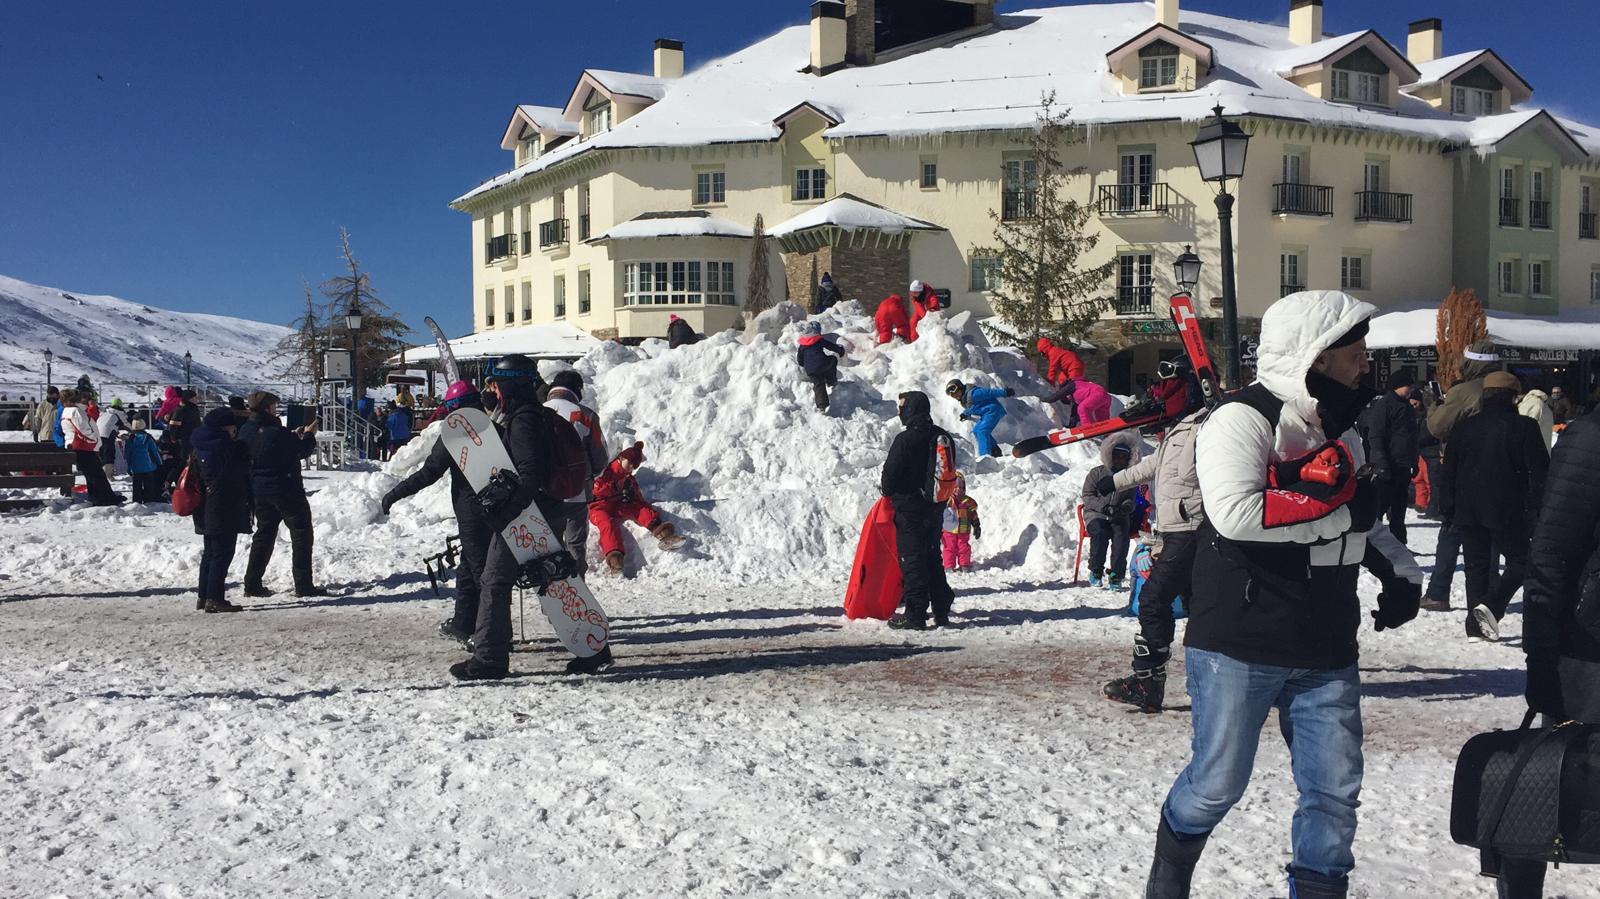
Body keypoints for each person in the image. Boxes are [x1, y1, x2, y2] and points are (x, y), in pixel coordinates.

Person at [1143, 291, 1421, 899]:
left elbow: (1360, 519)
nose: (1364, 365)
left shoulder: (1341, 429)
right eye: (1353, 354)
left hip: (1325, 644)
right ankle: (1169, 876)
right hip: (1240, 641)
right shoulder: (1241, 419)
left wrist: (1402, 573)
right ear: (1315, 357)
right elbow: (1236, 514)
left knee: (1333, 790)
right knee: (1217, 784)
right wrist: (1333, 518)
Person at [461, 354, 611, 679]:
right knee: (556, 578)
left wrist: (509, 512)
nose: (494, 391)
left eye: (496, 384)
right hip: (550, 509)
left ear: (509, 386)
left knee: (494, 581)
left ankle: (489, 659)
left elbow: (530, 471)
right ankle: (595, 650)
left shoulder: (524, 421)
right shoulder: (536, 416)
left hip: (528, 515)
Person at [1505, 404, 1600, 899]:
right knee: (1550, 785)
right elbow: (1551, 552)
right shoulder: (1592, 437)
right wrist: (1540, 658)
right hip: (1590, 652)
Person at [1102, 399, 1208, 712]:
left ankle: (1148, 682)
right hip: (1174, 529)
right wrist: (1115, 481)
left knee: (1153, 600)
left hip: (1191, 528)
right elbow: (1154, 467)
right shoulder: (1177, 430)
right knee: (1193, 604)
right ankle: (1193, 680)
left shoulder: (1201, 426)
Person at [1436, 371, 1549, 642]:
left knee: (1476, 566)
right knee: (1522, 562)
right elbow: (1540, 472)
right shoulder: (1524, 427)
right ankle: (1492, 606)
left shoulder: (1464, 427)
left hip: (1467, 507)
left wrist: (1447, 506)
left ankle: (1477, 622)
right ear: (1514, 396)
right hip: (1509, 508)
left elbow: (1448, 469)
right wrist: (1540, 508)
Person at [381, 381, 492, 647]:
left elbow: (430, 472)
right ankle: (462, 622)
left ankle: (492, 634)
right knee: (469, 568)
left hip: (471, 511)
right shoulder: (493, 427)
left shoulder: (456, 434)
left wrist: (395, 493)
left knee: (481, 575)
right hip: (497, 508)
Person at [1421, 340, 1501, 613]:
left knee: (1452, 530)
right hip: (1497, 471)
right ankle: (1488, 596)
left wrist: (1433, 405)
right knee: (1490, 534)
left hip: (1463, 470)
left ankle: (1437, 592)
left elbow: (1437, 426)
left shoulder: (1465, 391)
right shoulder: (1504, 388)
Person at [237, 392, 325, 598]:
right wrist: (309, 435)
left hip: (259, 491)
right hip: (286, 489)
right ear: (268, 408)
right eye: (274, 406)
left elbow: (269, 448)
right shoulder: (276, 431)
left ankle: (252, 583)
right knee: (301, 534)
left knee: (264, 535)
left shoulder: (246, 430)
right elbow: (301, 450)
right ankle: (303, 584)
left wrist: (292, 436)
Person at [882, 391, 956, 630]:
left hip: (910, 509)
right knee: (932, 556)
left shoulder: (905, 440)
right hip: (935, 507)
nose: (899, 411)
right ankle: (942, 608)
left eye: (902, 406)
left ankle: (915, 614)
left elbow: (889, 478)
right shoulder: (942, 436)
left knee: (912, 560)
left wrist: (889, 491)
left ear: (912, 409)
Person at [543, 369, 609, 572]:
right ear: (577, 390)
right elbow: (600, 458)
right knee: (575, 545)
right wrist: (591, 475)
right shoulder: (585, 415)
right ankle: (577, 591)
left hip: (544, 491)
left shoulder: (537, 411)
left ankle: (552, 592)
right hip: (576, 491)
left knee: (550, 546)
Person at [589, 441, 685, 576]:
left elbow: (639, 499)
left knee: (639, 508)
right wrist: (616, 488)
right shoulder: (605, 470)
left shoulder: (628, 477)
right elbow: (595, 491)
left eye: (635, 466)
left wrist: (635, 500)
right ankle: (615, 561)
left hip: (617, 505)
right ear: (621, 458)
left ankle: (666, 536)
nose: (631, 468)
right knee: (607, 524)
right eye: (630, 463)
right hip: (598, 508)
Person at [191, 406, 252, 613]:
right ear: (225, 428)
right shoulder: (226, 448)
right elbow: (240, 469)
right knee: (222, 553)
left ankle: (203, 595)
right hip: (223, 505)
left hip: (204, 505)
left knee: (210, 552)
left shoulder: (200, 444)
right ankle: (215, 598)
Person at [1357, 371, 1419, 544]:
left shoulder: (1406, 406)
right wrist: (1381, 464)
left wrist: (1414, 461)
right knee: (1379, 509)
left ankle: (1399, 545)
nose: (1411, 389)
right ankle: (1371, 544)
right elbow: (1376, 436)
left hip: (1403, 466)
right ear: (1398, 385)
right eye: (1409, 385)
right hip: (1387, 466)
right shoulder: (1385, 405)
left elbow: (1411, 438)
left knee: (1399, 511)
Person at [1079, 432, 1142, 590]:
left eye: (1124, 457)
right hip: (1096, 514)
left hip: (1118, 515)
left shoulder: (1128, 477)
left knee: (1121, 536)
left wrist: (1126, 507)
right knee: (1100, 533)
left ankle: (1116, 574)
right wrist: (1103, 506)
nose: (1120, 460)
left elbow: (1131, 499)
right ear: (1110, 455)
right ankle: (1096, 570)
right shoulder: (1097, 473)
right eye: (1117, 456)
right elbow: (1087, 495)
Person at [59, 388, 123, 506]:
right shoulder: (75, 411)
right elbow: (84, 429)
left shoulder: (67, 411)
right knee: (96, 474)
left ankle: (99, 497)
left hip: (78, 445)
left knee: (92, 474)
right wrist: (93, 439)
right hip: (83, 446)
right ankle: (104, 498)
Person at [945, 378, 1014, 458]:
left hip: (993, 410)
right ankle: (995, 450)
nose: (956, 395)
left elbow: (990, 392)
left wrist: (1005, 392)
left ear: (961, 387)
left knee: (982, 431)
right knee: (976, 430)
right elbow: (971, 408)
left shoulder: (974, 393)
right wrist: (965, 414)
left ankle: (985, 456)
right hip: (986, 414)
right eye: (953, 395)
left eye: (956, 392)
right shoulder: (965, 400)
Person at [796, 322, 847, 413]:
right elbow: (831, 346)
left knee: (818, 385)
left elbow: (800, 359)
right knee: (832, 359)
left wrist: (804, 364)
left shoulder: (802, 345)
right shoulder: (819, 340)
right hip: (822, 363)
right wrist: (840, 351)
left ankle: (821, 406)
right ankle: (831, 381)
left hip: (811, 370)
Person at [940, 475, 980, 573]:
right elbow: (940, 514)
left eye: (961, 488)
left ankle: (964, 565)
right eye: (956, 487)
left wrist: (976, 525)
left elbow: (973, 515)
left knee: (963, 548)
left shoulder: (967, 502)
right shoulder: (946, 500)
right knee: (949, 548)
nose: (958, 490)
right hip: (949, 530)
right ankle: (949, 566)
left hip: (963, 529)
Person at [1042, 377, 1113, 428]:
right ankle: (1108, 432)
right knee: (1102, 419)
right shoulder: (1079, 392)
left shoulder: (1071, 384)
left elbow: (1059, 394)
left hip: (1097, 394)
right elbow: (1074, 413)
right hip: (1105, 397)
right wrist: (1071, 426)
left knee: (1083, 408)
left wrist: (1045, 400)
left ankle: (1089, 428)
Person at [125, 419, 165, 503]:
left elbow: (127, 454)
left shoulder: (130, 439)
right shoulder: (148, 438)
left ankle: (136, 501)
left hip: (135, 467)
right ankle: (149, 499)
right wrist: (159, 462)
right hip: (148, 466)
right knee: (149, 485)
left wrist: (128, 467)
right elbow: (154, 451)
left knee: (137, 485)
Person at [96, 398, 132, 480]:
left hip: (97, 434)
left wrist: (115, 432)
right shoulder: (119, 413)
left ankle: (100, 474)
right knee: (108, 454)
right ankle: (108, 475)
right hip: (107, 436)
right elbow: (127, 425)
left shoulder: (105, 412)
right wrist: (135, 431)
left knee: (101, 454)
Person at [1516, 383, 1555, 452]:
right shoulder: (1538, 403)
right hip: (1540, 450)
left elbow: (1523, 430)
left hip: (1532, 451)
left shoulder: (1531, 404)